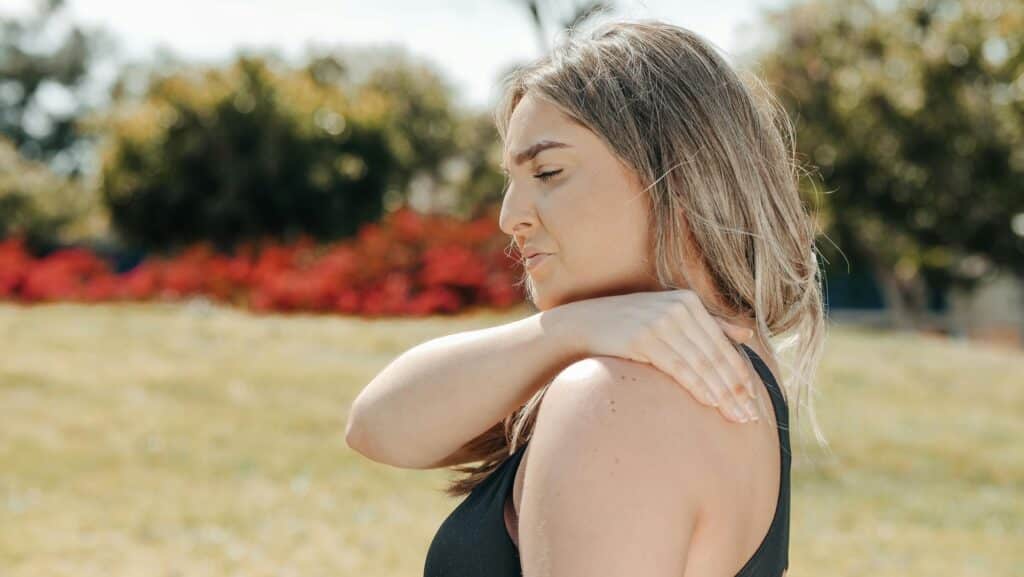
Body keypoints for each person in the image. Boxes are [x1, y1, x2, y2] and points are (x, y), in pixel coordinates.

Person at [346, 18, 827, 577]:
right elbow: (376, 426)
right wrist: (573, 330)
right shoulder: (732, 371)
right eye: (512, 179)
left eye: (548, 172)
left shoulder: (612, 399)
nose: (510, 217)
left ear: (676, 175)